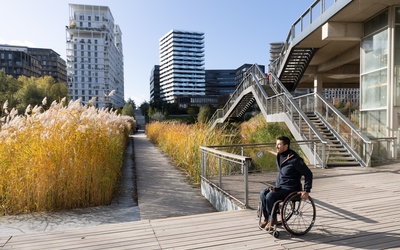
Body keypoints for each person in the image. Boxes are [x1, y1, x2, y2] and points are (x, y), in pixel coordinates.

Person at [259, 136, 313, 229]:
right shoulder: (280, 156)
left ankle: (272, 221)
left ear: (286, 146)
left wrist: (306, 190)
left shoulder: (295, 159)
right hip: (280, 186)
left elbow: (308, 174)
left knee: (270, 196)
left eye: (279, 144)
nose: (276, 146)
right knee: (263, 193)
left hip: (291, 188)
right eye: (276, 144)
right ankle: (268, 219)